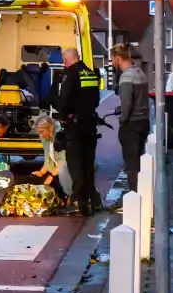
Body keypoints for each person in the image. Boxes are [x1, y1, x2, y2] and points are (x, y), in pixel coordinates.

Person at [56, 47, 102, 216]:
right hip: (90, 124)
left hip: (74, 126)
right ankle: (91, 200)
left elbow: (64, 98)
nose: (64, 64)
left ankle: (78, 202)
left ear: (67, 60)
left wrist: (63, 117)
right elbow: (96, 99)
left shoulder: (71, 74)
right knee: (88, 163)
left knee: (76, 165)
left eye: (64, 60)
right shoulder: (90, 73)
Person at [112, 44, 150, 191]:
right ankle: (141, 192)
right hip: (143, 122)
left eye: (113, 59)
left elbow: (127, 103)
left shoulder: (126, 77)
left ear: (118, 58)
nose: (113, 63)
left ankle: (134, 194)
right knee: (139, 159)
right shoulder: (140, 73)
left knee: (131, 163)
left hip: (131, 125)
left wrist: (122, 121)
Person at [31, 115, 71, 203]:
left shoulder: (60, 138)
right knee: (36, 180)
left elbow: (63, 161)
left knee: (57, 178)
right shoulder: (45, 139)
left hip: (68, 169)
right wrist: (41, 172)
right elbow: (48, 159)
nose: (40, 135)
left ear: (50, 128)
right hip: (57, 170)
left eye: (42, 132)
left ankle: (71, 197)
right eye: (38, 132)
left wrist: (51, 176)